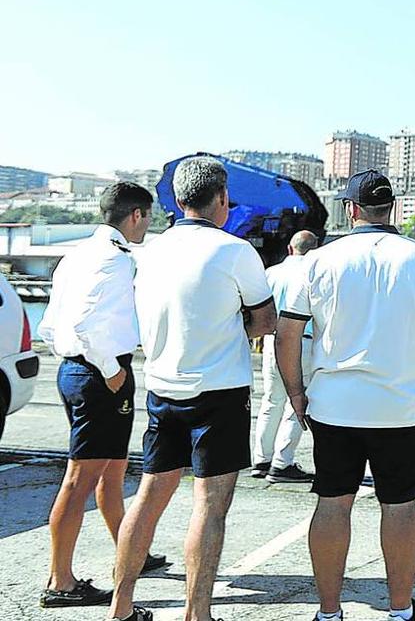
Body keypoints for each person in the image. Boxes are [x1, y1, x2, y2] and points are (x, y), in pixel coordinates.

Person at [275, 169, 415, 621]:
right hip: (403, 406)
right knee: (400, 506)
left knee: (333, 502)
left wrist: (296, 393)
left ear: (351, 210)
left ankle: (329, 612)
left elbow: (286, 334)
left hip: (335, 405)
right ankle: (400, 610)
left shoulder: (317, 260)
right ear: (391, 208)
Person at [108, 156, 277, 621]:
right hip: (219, 391)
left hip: (162, 386)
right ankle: (196, 614)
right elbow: (265, 321)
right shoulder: (236, 251)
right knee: (209, 505)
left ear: (179, 201)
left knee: (148, 496)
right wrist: (229, 327)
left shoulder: (148, 252)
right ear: (221, 198)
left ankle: (119, 607)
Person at [37, 183, 168, 609]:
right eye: (148, 217)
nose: (148, 225)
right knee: (79, 481)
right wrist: (110, 371)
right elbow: (83, 324)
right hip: (100, 373)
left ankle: (132, 553)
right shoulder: (115, 260)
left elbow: (51, 326)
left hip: (79, 371)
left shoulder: (75, 255)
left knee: (113, 472)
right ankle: (60, 582)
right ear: (135, 215)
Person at [251, 230, 320, 483]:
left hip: (272, 340)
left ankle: (261, 459)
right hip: (304, 341)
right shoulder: (315, 273)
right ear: (315, 249)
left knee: (271, 401)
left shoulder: (272, 273)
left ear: (291, 249)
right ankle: (282, 462)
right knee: (297, 402)